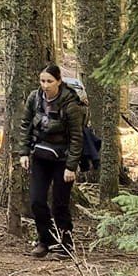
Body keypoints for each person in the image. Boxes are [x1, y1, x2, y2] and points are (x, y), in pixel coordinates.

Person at [18, 64, 86, 257]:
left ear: (59, 81)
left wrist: (71, 166)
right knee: (37, 201)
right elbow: (26, 124)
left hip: (63, 160)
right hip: (40, 156)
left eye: (49, 81)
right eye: (42, 81)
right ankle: (45, 240)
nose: (45, 85)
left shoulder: (70, 104)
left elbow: (77, 137)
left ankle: (66, 244)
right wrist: (24, 152)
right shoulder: (35, 98)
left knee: (59, 204)